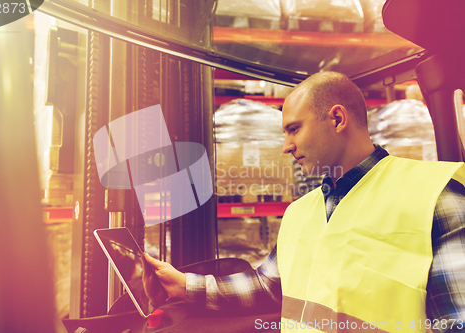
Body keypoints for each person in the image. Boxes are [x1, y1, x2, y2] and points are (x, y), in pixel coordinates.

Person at [143, 71, 465, 332]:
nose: (286, 146)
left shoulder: (434, 199)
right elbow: (267, 286)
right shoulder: (300, 213)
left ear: (337, 119)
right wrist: (184, 286)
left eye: (294, 129)